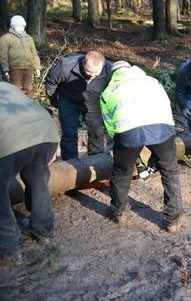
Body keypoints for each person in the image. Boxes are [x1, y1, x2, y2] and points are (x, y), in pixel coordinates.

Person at [100, 61, 183, 232]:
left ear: (111, 75)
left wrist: (120, 143)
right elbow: (166, 105)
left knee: (122, 172)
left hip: (127, 131)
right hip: (161, 126)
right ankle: (173, 220)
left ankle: (118, 212)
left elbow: (109, 124)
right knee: (170, 171)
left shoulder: (108, 91)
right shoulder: (153, 81)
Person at [0, 82, 59, 266]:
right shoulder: (7, 87)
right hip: (46, 135)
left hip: (11, 142)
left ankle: (11, 248)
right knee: (38, 179)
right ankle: (43, 230)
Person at [45, 51, 111, 160]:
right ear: (83, 63)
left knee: (96, 132)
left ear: (102, 66)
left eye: (96, 73)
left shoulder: (109, 69)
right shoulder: (65, 66)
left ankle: (96, 160)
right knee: (69, 134)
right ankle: (70, 162)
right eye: (89, 71)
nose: (92, 76)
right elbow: (50, 83)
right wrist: (55, 102)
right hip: (68, 100)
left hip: (93, 101)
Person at [0, 15, 41, 97]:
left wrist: (37, 67)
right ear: (12, 26)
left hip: (28, 67)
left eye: (23, 26)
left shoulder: (29, 38)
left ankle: (29, 105)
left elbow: (34, 54)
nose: (21, 28)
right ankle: (15, 106)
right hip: (15, 68)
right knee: (15, 89)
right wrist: (5, 70)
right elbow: (2, 56)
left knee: (28, 88)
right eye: (18, 26)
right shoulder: (5, 38)